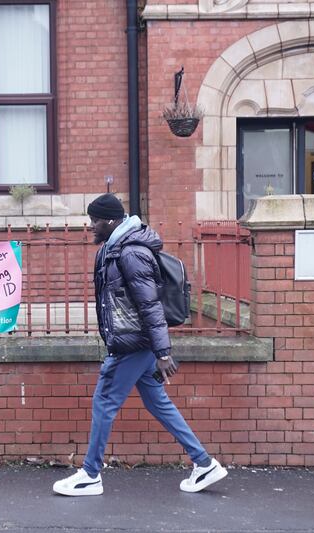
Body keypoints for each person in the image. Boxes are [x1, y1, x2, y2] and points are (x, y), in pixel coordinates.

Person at [52, 193, 227, 496]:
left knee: (104, 402)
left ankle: (90, 474)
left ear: (110, 221)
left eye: (95, 221)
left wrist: (163, 352)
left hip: (133, 344)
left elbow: (150, 305)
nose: (91, 226)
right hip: (140, 342)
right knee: (158, 402)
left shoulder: (130, 253)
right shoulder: (115, 248)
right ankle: (204, 463)